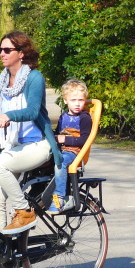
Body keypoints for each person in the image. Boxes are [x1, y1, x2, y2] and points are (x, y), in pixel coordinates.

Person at [0, 31, 61, 268]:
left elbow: (33, 110)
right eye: (0, 50)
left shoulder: (34, 77)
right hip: (12, 146)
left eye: (7, 50)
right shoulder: (3, 80)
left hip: (36, 145)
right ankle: (3, 259)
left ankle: (23, 210)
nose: (1, 54)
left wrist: (9, 116)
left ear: (21, 53)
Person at [49, 78, 92, 214]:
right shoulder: (63, 117)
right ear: (66, 100)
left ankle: (59, 198)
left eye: (81, 100)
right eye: (73, 100)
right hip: (62, 150)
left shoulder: (84, 118)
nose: (78, 104)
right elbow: (57, 134)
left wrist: (63, 139)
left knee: (60, 162)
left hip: (74, 152)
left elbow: (84, 140)